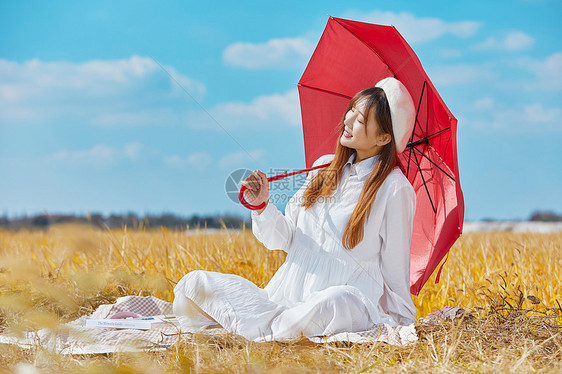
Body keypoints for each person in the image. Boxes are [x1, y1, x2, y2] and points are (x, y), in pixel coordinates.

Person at [173, 77, 417, 342]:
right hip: (285, 299)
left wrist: (402, 323)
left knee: (335, 300)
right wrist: (262, 206)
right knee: (192, 285)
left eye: (360, 120)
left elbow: (396, 269)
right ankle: (272, 330)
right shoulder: (324, 167)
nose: (347, 121)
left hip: (342, 304)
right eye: (351, 111)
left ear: (383, 137)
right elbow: (285, 238)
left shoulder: (394, 188)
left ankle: (259, 333)